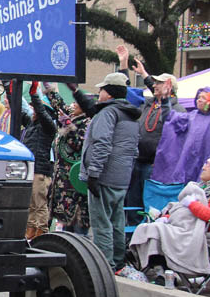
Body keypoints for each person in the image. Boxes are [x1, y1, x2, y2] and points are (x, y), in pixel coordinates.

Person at [129, 156, 210, 279]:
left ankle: (164, 271)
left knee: (156, 231)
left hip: (208, 236)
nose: (203, 167)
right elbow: (184, 210)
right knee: (151, 228)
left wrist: (192, 204)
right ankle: (162, 269)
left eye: (208, 165)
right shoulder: (204, 187)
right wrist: (168, 217)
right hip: (192, 230)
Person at [75, 72, 140, 270]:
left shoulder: (108, 113)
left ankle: (105, 266)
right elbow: (134, 149)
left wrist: (94, 173)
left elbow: (101, 143)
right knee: (117, 222)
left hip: (104, 176)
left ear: (109, 93)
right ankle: (119, 262)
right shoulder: (131, 115)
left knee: (101, 223)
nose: (99, 93)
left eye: (102, 89)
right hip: (122, 177)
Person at [116, 46, 186, 224]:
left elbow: (170, 122)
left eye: (159, 83)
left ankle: (147, 235)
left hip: (155, 166)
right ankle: (132, 236)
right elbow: (127, 93)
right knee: (132, 202)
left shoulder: (177, 110)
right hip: (137, 161)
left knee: (150, 206)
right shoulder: (149, 103)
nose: (154, 85)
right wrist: (124, 65)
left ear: (169, 87)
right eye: (153, 83)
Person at [152, 86, 210, 186]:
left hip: (209, 172)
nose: (199, 100)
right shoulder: (192, 116)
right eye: (198, 97)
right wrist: (165, 100)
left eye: (203, 98)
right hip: (188, 167)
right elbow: (171, 118)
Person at [44, 83, 90, 234]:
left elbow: (79, 144)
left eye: (77, 103)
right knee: (65, 225)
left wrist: (68, 126)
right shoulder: (74, 116)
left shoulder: (88, 122)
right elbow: (60, 107)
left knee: (77, 228)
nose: (73, 105)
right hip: (63, 180)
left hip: (75, 182)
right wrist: (49, 88)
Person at [21, 82, 57, 239]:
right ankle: (30, 228)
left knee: (39, 204)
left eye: (35, 110)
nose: (33, 112)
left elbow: (42, 112)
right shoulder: (31, 125)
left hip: (40, 170)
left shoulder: (49, 127)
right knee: (30, 203)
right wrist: (9, 89)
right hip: (31, 169)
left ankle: (41, 230)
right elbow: (19, 109)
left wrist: (34, 94)